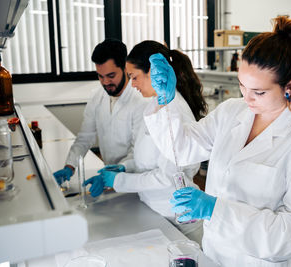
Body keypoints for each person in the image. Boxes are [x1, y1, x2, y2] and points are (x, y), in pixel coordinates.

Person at [143, 16, 291, 266]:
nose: (247, 98)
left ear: (290, 86)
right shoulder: (233, 111)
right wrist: (166, 101)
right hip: (215, 254)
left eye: (259, 92)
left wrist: (216, 210)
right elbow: (182, 148)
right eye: (242, 86)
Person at [84, 40, 208, 244]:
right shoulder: (154, 105)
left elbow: (167, 177)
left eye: (134, 77)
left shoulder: (176, 112)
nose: (132, 84)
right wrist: (124, 167)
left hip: (181, 221)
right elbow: (145, 155)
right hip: (156, 211)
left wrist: (117, 182)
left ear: (154, 72)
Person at [53, 39, 147, 186]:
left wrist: (117, 172)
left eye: (111, 76)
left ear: (125, 68)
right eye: (100, 76)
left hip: (133, 178)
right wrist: (70, 166)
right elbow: (85, 137)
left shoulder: (140, 101)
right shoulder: (96, 97)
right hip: (107, 173)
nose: (105, 82)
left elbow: (138, 152)